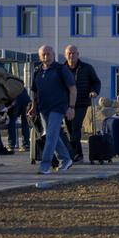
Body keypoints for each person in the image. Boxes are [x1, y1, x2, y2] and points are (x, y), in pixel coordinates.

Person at [28, 45, 76, 175]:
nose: (46, 56)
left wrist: (71, 107)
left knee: (50, 136)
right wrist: (33, 106)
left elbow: (72, 89)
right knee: (53, 135)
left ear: (53, 54)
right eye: (43, 54)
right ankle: (66, 159)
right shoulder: (38, 71)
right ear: (39, 56)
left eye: (48, 54)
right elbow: (34, 91)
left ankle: (45, 165)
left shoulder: (61, 69)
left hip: (58, 108)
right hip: (43, 109)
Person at [62, 45, 101, 159]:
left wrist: (94, 91)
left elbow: (96, 82)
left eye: (74, 53)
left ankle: (75, 154)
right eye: (69, 53)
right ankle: (78, 153)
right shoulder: (61, 69)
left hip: (81, 103)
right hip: (66, 103)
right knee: (69, 129)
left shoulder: (87, 68)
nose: (71, 55)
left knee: (75, 127)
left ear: (78, 54)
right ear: (65, 55)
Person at [5, 86, 32, 152]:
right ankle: (26, 145)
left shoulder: (2, 81)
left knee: (11, 121)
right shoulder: (13, 81)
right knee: (25, 122)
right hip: (26, 99)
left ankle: (11, 145)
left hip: (15, 101)